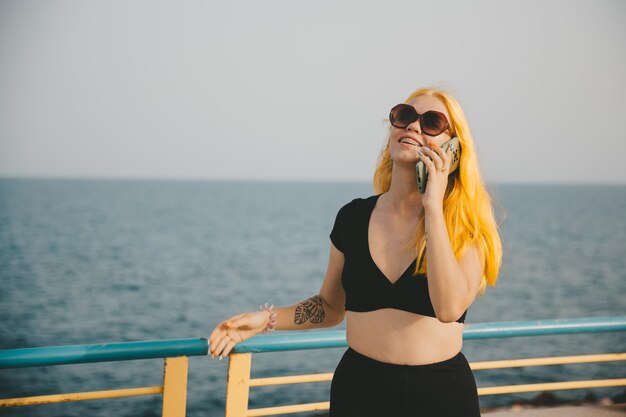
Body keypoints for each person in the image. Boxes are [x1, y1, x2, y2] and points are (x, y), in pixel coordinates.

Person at [209, 86, 502, 416]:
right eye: (404, 116)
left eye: (432, 122)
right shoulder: (353, 216)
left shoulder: (465, 225)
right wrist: (265, 319)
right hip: (359, 392)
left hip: (441, 397)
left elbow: (448, 308)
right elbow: (331, 307)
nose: (413, 127)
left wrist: (433, 207)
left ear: (454, 149)